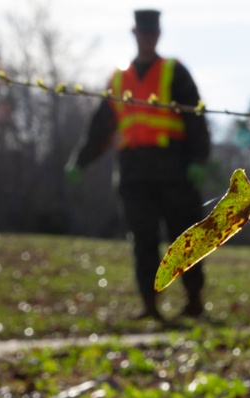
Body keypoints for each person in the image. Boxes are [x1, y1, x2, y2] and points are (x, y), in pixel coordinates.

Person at [66, 9, 210, 321]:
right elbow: (100, 128)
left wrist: (198, 160)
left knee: (184, 238)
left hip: (173, 169)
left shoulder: (175, 71)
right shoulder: (119, 78)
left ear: (157, 35)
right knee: (142, 240)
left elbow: (195, 116)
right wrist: (80, 160)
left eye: (151, 33)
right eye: (142, 33)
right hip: (133, 173)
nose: (146, 38)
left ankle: (194, 299)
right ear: (135, 35)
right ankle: (150, 304)